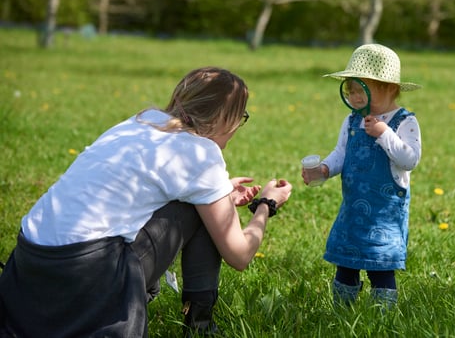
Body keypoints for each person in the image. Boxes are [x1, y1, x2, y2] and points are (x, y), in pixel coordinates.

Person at [0, 66, 292, 337]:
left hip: (29, 265)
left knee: (200, 206)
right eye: (241, 117)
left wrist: (220, 193)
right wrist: (266, 204)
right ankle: (200, 326)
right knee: (199, 211)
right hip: (88, 276)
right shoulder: (201, 153)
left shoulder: (143, 122)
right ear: (224, 119)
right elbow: (239, 255)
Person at [302, 44, 421, 310]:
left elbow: (409, 159)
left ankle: (382, 313)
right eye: (350, 91)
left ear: (389, 88)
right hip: (353, 210)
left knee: (381, 266)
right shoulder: (352, 121)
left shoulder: (404, 122)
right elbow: (340, 153)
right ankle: (342, 309)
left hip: (384, 214)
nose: (355, 98)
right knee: (346, 262)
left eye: (362, 90)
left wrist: (384, 134)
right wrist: (324, 169)